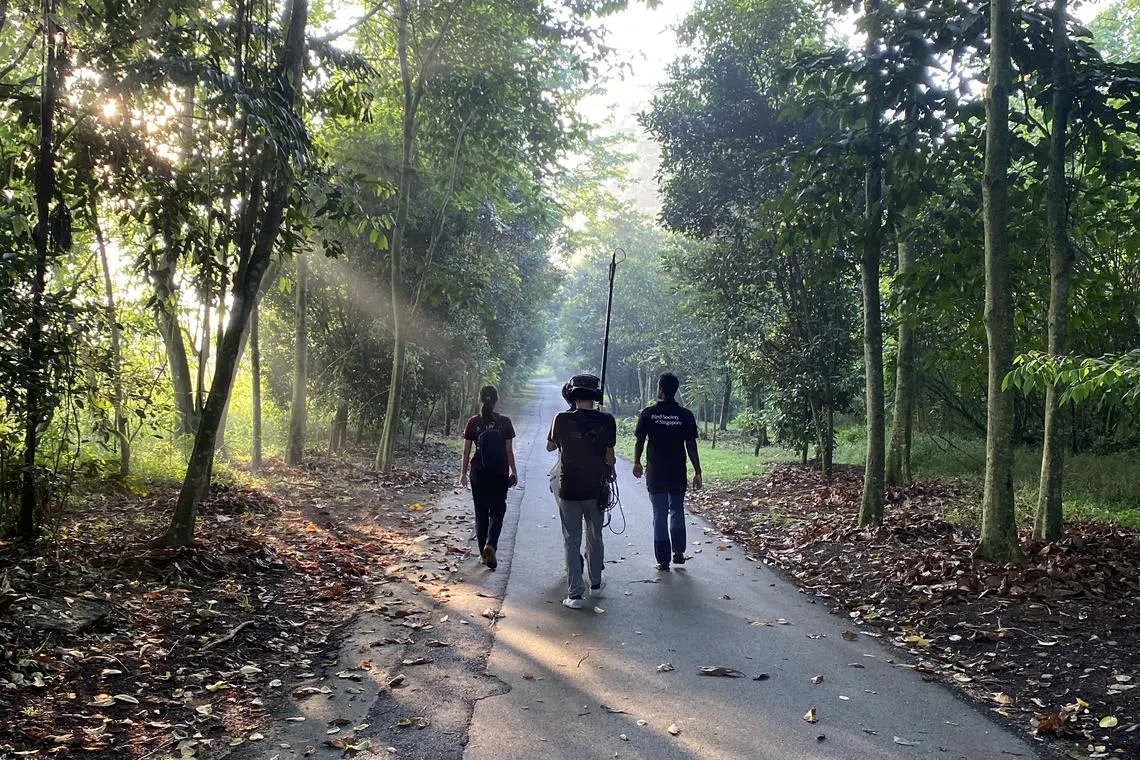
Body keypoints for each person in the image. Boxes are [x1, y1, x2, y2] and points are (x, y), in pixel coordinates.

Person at [547, 374, 616, 609]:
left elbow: (551, 446)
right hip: (596, 489)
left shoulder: (561, 419)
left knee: (572, 540)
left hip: (569, 489)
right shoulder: (607, 421)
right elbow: (610, 457)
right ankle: (595, 584)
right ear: (596, 395)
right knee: (595, 536)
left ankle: (575, 595)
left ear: (572, 395)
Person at [632, 372, 702, 571]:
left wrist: (637, 462)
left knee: (659, 513)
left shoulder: (648, 414)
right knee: (677, 509)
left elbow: (640, 441)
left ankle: (663, 560)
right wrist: (698, 471)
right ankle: (678, 551)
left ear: (660, 389)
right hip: (677, 471)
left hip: (656, 472)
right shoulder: (685, 415)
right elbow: (691, 445)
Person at [460, 385, 518, 570]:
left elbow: (467, 450)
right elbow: (508, 450)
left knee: (481, 512)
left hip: (478, 472)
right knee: (498, 510)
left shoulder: (473, 422)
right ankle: (491, 544)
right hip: (499, 473)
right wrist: (513, 471)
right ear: (496, 400)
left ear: (480, 399)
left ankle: (482, 555)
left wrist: (462, 473)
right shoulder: (505, 422)